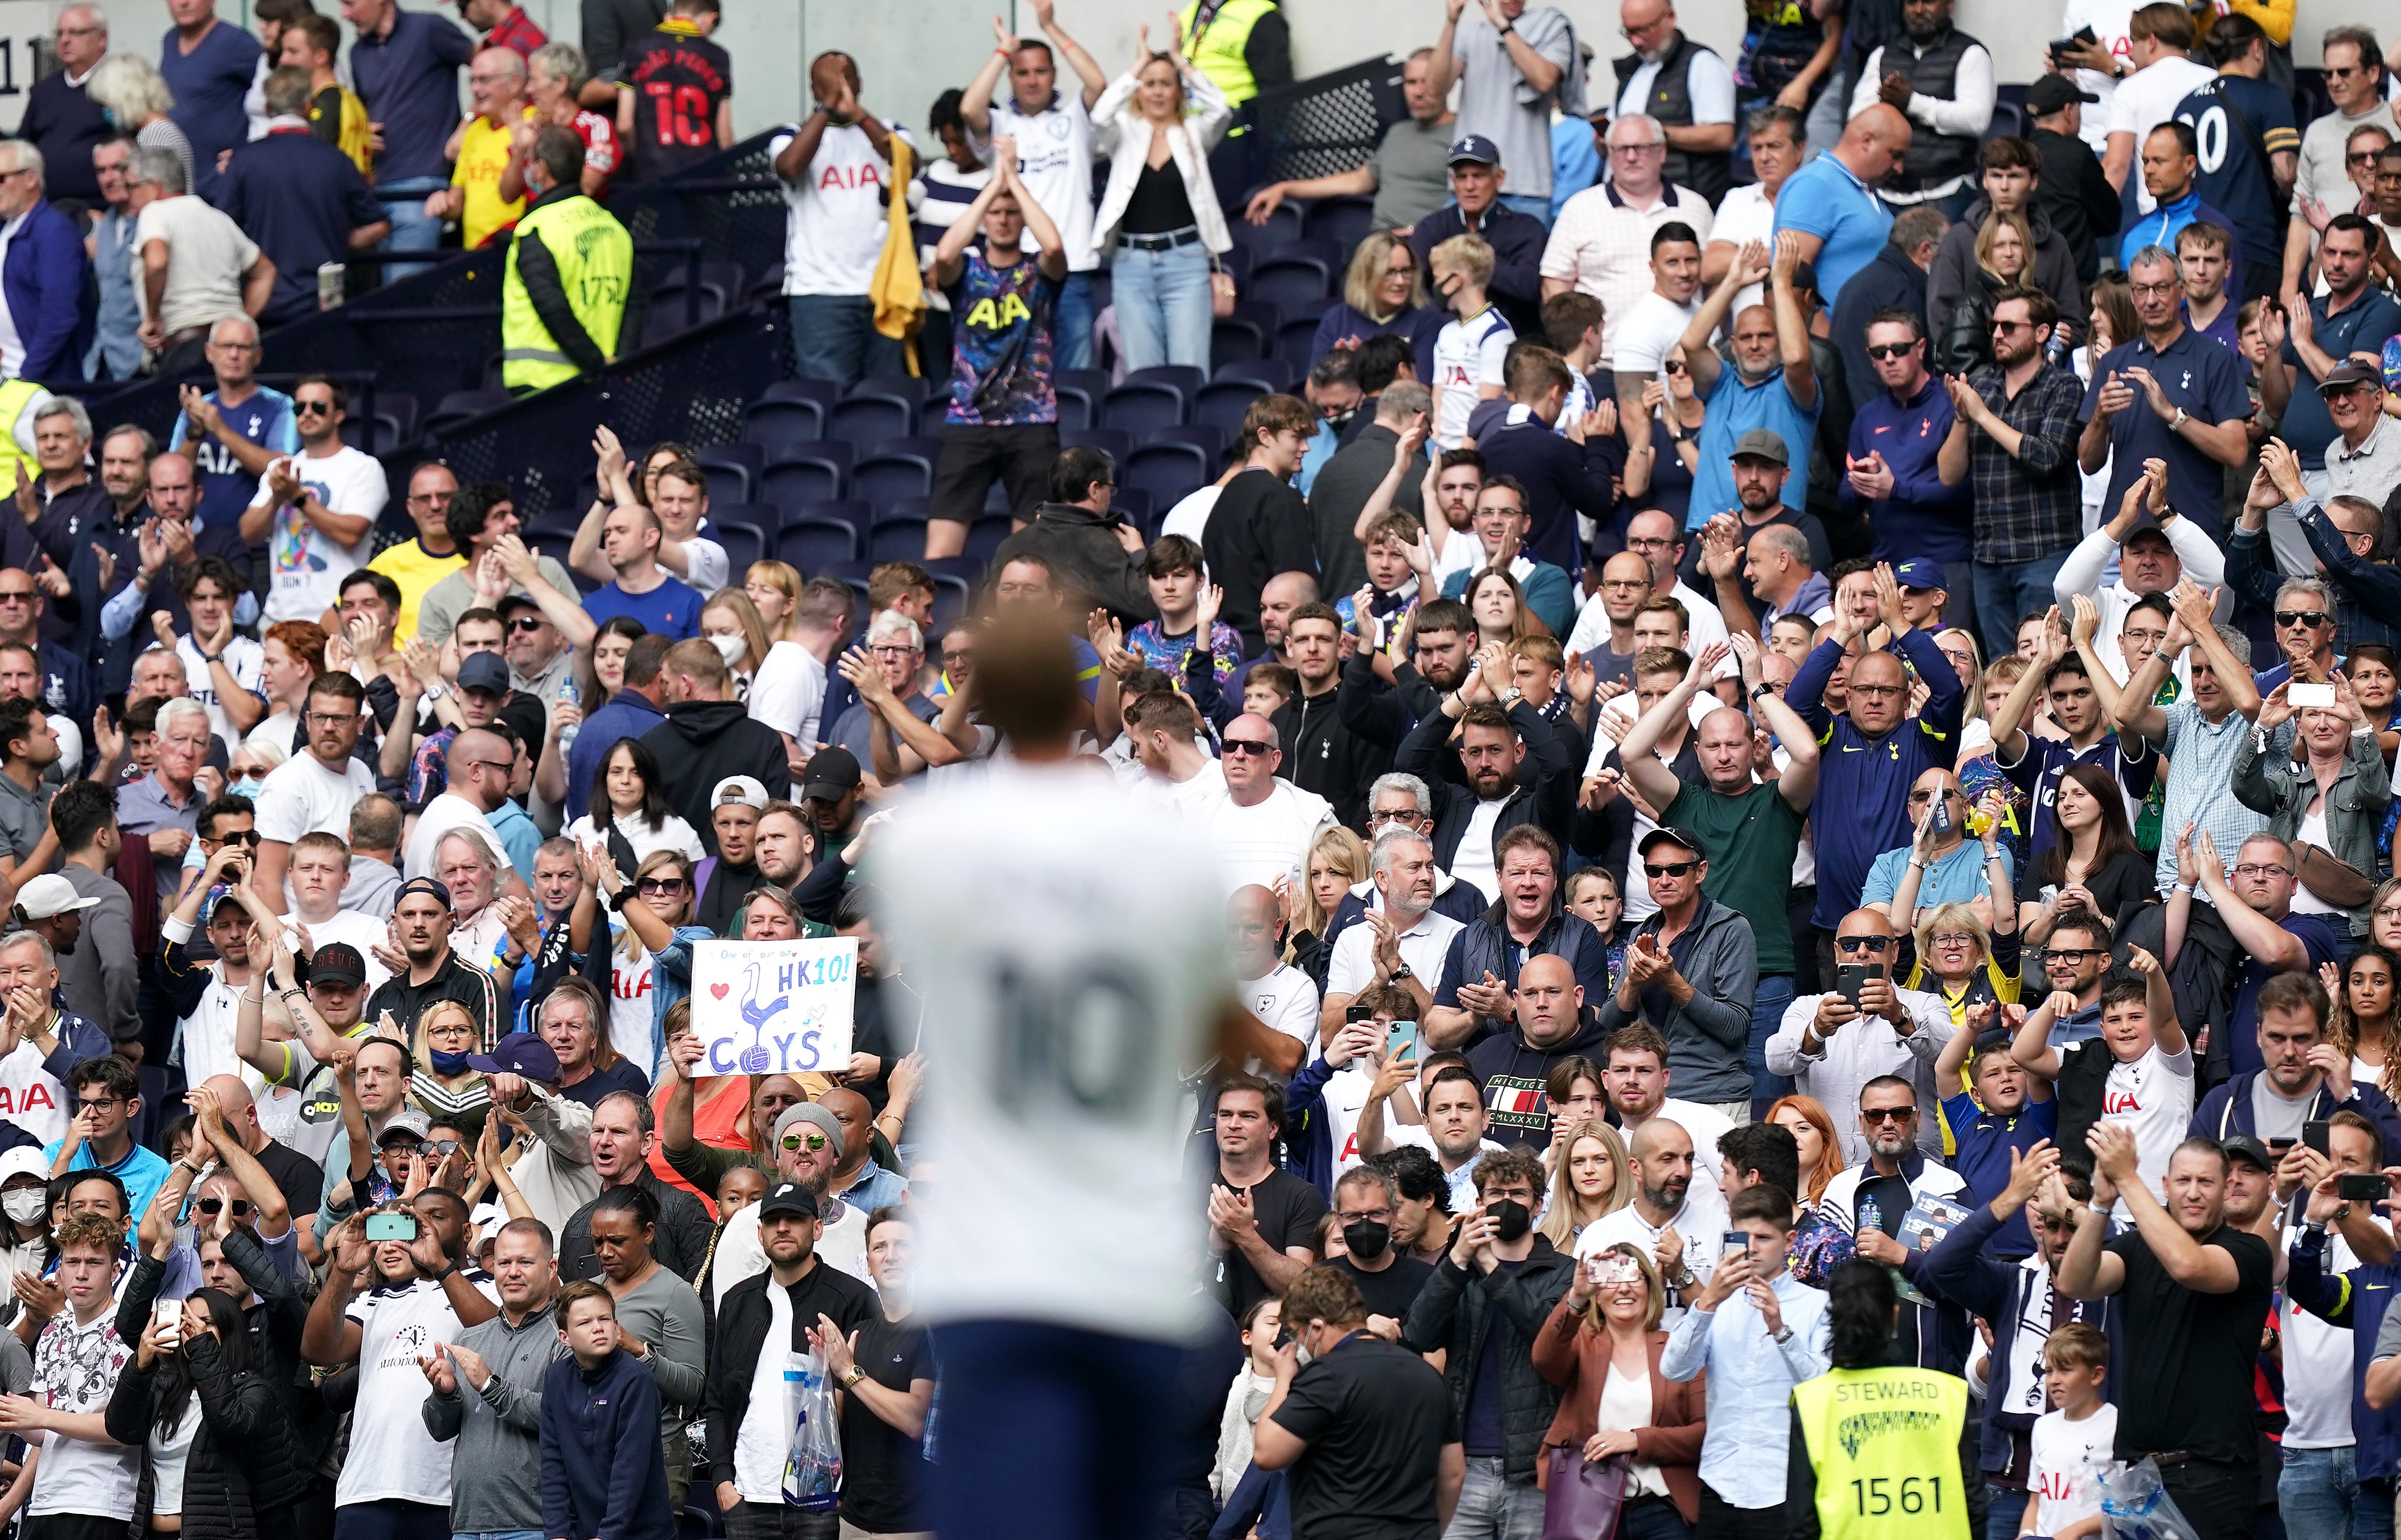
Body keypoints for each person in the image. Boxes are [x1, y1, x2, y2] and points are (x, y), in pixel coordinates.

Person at [2056, 1125, 2273, 1540]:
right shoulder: (2137, 1247)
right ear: (2166, 1186)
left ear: (2226, 1188)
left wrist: (2126, 1179)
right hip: (2141, 1474)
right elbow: (2075, 1282)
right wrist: (2102, 1201)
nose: (2193, 1192)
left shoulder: (2247, 1250)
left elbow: (2188, 1265)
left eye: (2205, 1182)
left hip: (2213, 1474)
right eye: (2183, 1181)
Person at [1396, 1146, 1571, 1534]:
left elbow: (1548, 1337)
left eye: (1518, 1195)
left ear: (1538, 1204)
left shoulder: (1564, 1272)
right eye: (1496, 1194)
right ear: (1479, 1202)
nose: (1506, 1203)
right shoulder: (1459, 1269)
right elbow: (1419, 1334)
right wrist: (1457, 1260)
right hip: (1462, 1463)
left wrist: (1489, 1265)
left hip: (1531, 1466)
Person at [922, 136, 1069, 563]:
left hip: (1032, 420)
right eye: (995, 213)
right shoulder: (966, 271)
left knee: (1032, 554)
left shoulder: (1038, 273)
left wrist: (1014, 184)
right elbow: (944, 253)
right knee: (940, 553)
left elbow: (1056, 247)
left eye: (1011, 214)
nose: (1003, 220)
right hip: (969, 420)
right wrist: (993, 185)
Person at [700, 1179, 878, 1527]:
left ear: (817, 1228)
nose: (782, 1227)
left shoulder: (852, 1298)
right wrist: (723, 1478)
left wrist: (846, 1489)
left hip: (824, 1499)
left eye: (794, 1218)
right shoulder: (737, 1301)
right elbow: (717, 1398)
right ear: (760, 1232)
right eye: (772, 1220)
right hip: (747, 1495)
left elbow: (867, 1404)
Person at [1660, 1182, 1830, 1534]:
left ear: (1791, 1242)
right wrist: (1706, 1302)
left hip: (1785, 1486)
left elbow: (1825, 1394)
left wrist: (1781, 1331)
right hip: (1719, 1481)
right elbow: (1673, 1369)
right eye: (1742, 1238)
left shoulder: (1817, 1306)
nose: (1751, 1248)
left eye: (1764, 1238)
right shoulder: (1714, 1304)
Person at [1930, 285, 2091, 650]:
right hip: (1989, 555)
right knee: (2002, 668)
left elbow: (2047, 457)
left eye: (2009, 327)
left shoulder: (2062, 386)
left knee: (2049, 657)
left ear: (2041, 333)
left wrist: (1981, 415)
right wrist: (1960, 417)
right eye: (1994, 326)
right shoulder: (1982, 386)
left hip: (2045, 551)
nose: (1998, 335)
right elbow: (1948, 474)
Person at [1251, 1263, 1461, 1535]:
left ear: (1316, 1327)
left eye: (1297, 1333)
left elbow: (1267, 1454)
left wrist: (1284, 1380)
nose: (1297, 1344)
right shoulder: (1429, 1377)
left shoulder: (1326, 1377)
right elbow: (1453, 1474)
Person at [1785, 1258, 1985, 1539]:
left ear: (1833, 1317)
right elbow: (1974, 1504)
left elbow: (1801, 1522)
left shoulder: (1813, 1402)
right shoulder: (1945, 1393)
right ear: (1895, 1314)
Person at [959, 1, 1106, 372]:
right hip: (1015, 269)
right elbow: (968, 109)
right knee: (1020, 371)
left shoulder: (1075, 119)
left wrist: (1050, 28)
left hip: (1072, 266)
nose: (1032, 80)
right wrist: (1002, 51)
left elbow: (1098, 83)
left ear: (1054, 74)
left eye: (1041, 71)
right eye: (1022, 72)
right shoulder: (999, 122)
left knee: (1077, 373)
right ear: (1011, 77)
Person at [1531, 1236, 1706, 1537]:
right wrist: (1576, 1296)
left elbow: (1703, 1432)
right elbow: (1544, 1358)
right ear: (1598, 1294)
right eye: (1612, 1279)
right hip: (1587, 1506)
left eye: (1634, 1278)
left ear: (1651, 1289)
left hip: (1663, 1510)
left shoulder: (1679, 1350)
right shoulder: (1582, 1346)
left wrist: (1638, 1441)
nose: (1624, 1288)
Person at [1090, 29, 1229, 377]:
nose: (1157, 91)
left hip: (1185, 260)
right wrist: (1137, 65)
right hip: (1130, 262)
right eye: (1149, 83)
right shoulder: (1125, 129)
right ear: (1139, 88)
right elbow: (1100, 115)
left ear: (1178, 89)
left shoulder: (1193, 131)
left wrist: (1182, 62)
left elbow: (1222, 109)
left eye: (1166, 83)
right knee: (1141, 371)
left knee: (1191, 367)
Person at [770, 51, 911, 391]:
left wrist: (857, 113)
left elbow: (906, 162)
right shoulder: (789, 137)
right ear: (813, 90)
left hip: (884, 289)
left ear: (860, 84)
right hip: (820, 293)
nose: (839, 90)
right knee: (828, 399)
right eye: (827, 84)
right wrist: (827, 108)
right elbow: (789, 167)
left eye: (846, 80)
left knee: (886, 399)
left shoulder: (890, 130)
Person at [420, 1215, 561, 1540]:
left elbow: (561, 1417)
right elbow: (440, 1430)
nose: (513, 1272)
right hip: (468, 1525)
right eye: (504, 1262)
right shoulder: (471, 1339)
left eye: (525, 1262)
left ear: (551, 1268)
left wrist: (488, 1385)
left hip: (536, 1526)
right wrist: (445, 1395)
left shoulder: (565, 1338)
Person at [215, 69, 390, 330]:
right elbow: (379, 226)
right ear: (309, 107)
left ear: (266, 107)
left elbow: (222, 229)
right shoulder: (337, 162)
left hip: (262, 303)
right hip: (324, 302)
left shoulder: (243, 163)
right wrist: (339, 239)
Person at [1540, 115, 1714, 368]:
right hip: (1605, 364)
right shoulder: (1580, 208)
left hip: (1685, 361)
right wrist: (1577, 354)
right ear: (1610, 154)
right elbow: (1555, 286)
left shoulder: (1696, 208)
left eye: (1641, 148)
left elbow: (1712, 283)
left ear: (1662, 152)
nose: (1631, 157)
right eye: (1622, 149)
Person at [1680, 236, 1820, 535]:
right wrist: (1733, 282)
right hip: (1708, 531)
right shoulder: (1720, 383)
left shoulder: (1793, 390)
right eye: (1746, 338)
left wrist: (1781, 284)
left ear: (1780, 340)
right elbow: (1691, 343)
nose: (1755, 345)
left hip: (1773, 536)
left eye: (1766, 336)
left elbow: (1796, 359)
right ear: (1733, 344)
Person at [1245, 47, 1455, 233]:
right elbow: (1358, 181)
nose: (1419, 92)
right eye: (1411, 82)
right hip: (1379, 244)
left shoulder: (1462, 133)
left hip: (1426, 245)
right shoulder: (1398, 133)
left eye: (1427, 82)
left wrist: (1420, 234)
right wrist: (1285, 188)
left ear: (1446, 84)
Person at [499, 126, 632, 394]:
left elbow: (552, 307)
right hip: (606, 381)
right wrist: (618, 364)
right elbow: (635, 303)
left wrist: (594, 362)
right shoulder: (615, 227)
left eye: (531, 162)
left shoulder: (535, 230)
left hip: (542, 386)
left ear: (542, 169)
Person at [538, 1279, 670, 1540]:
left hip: (642, 1533)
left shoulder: (636, 1379)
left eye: (605, 1319)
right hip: (588, 1529)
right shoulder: (556, 1378)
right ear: (564, 1338)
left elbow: (630, 1469)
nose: (598, 1328)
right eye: (585, 1323)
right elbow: (553, 1462)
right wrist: (556, 1533)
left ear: (617, 1325)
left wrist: (607, 1535)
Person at [1428, 0, 1582, 221]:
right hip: (1469, 185)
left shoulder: (1551, 26)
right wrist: (1451, 22)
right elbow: (1434, 90)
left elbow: (1545, 80)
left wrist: (1503, 27)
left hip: (1527, 189)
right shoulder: (1469, 33)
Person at [346, 0, 473, 264]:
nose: (345, 15)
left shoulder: (430, 28)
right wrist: (362, 133)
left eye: (350, 3)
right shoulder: (357, 52)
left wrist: (469, 125)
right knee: (382, 293)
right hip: (376, 190)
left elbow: (490, 71)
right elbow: (367, 109)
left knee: (402, 290)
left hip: (424, 185)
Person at [638, 640, 792, 852]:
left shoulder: (651, 744)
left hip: (671, 880)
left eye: (666, 682)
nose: (665, 691)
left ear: (685, 684)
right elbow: (778, 820)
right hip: (750, 879)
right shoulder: (765, 741)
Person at [1845, 0, 1992, 218]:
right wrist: (1887, 107)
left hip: (1946, 193)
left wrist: (1913, 103)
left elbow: (1977, 120)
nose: (1919, 10)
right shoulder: (1884, 55)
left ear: (1950, 5)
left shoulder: (1971, 53)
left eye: (1929, 2)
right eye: (1912, 3)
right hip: (1885, 194)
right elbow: (1857, 118)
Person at [1408, 136, 1548, 340]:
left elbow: (1528, 287)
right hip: (1443, 335)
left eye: (1478, 176)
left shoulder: (1526, 228)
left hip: (1512, 340)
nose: (1470, 186)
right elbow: (1415, 284)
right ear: (1453, 182)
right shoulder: (1433, 226)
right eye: (1462, 177)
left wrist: (1471, 263)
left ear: (1499, 178)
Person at [1773, 105, 1909, 303]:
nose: (1899, 168)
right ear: (1868, 141)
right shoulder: (1815, 184)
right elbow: (1792, 280)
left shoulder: (1864, 188)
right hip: (1834, 331)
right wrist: (1820, 332)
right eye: (1895, 155)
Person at [0, 144, 94, 385]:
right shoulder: (8, 230)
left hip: (40, 385)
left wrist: (28, 374)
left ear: (31, 178)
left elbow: (60, 312)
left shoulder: (54, 230)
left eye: (1, 178)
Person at [611, 0, 731, 185]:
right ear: (711, 19)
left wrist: (642, 156)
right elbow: (724, 136)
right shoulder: (718, 56)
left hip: (652, 175)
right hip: (703, 178)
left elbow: (624, 125)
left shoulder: (637, 49)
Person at [17, 6, 109, 208]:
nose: (65, 40)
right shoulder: (44, 91)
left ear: (102, 38)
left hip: (101, 210)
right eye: (60, 34)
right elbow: (22, 148)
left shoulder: (119, 84)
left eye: (75, 33)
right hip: (47, 208)